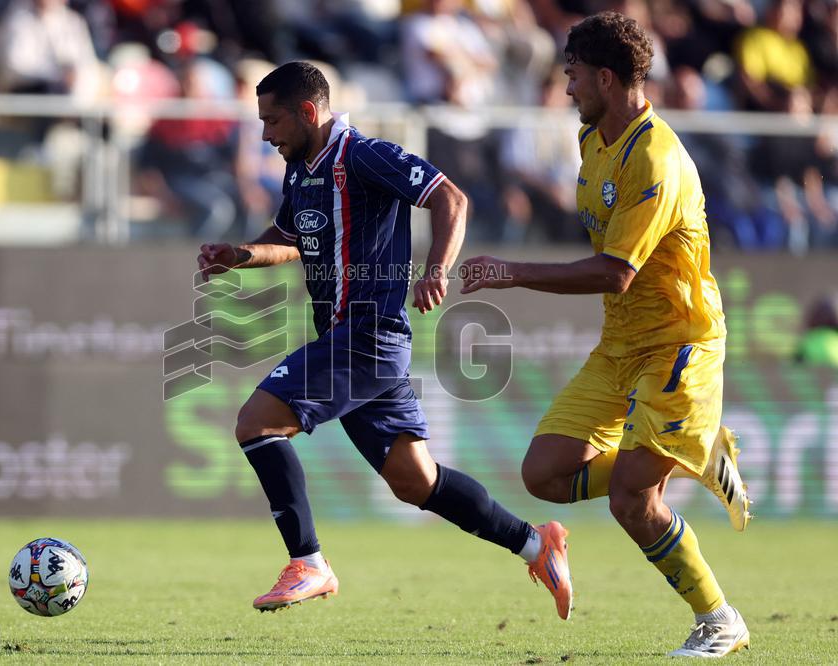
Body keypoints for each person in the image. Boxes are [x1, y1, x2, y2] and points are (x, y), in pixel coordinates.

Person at [196, 61, 573, 619]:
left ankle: (309, 563)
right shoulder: (300, 171)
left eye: (273, 120)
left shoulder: (364, 155)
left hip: (367, 336)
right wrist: (241, 255)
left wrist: (437, 269)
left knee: (256, 422)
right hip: (354, 341)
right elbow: (289, 236)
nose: (266, 134)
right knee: (414, 481)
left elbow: (451, 198)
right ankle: (538, 545)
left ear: (308, 111)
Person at [460, 13, 751, 657]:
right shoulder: (594, 139)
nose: (567, 90)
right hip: (620, 345)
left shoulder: (656, 158)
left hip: (680, 342)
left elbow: (616, 273)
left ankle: (720, 618)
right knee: (544, 473)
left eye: (573, 76)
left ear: (606, 77)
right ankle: (697, 454)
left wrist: (510, 271)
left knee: (631, 500)